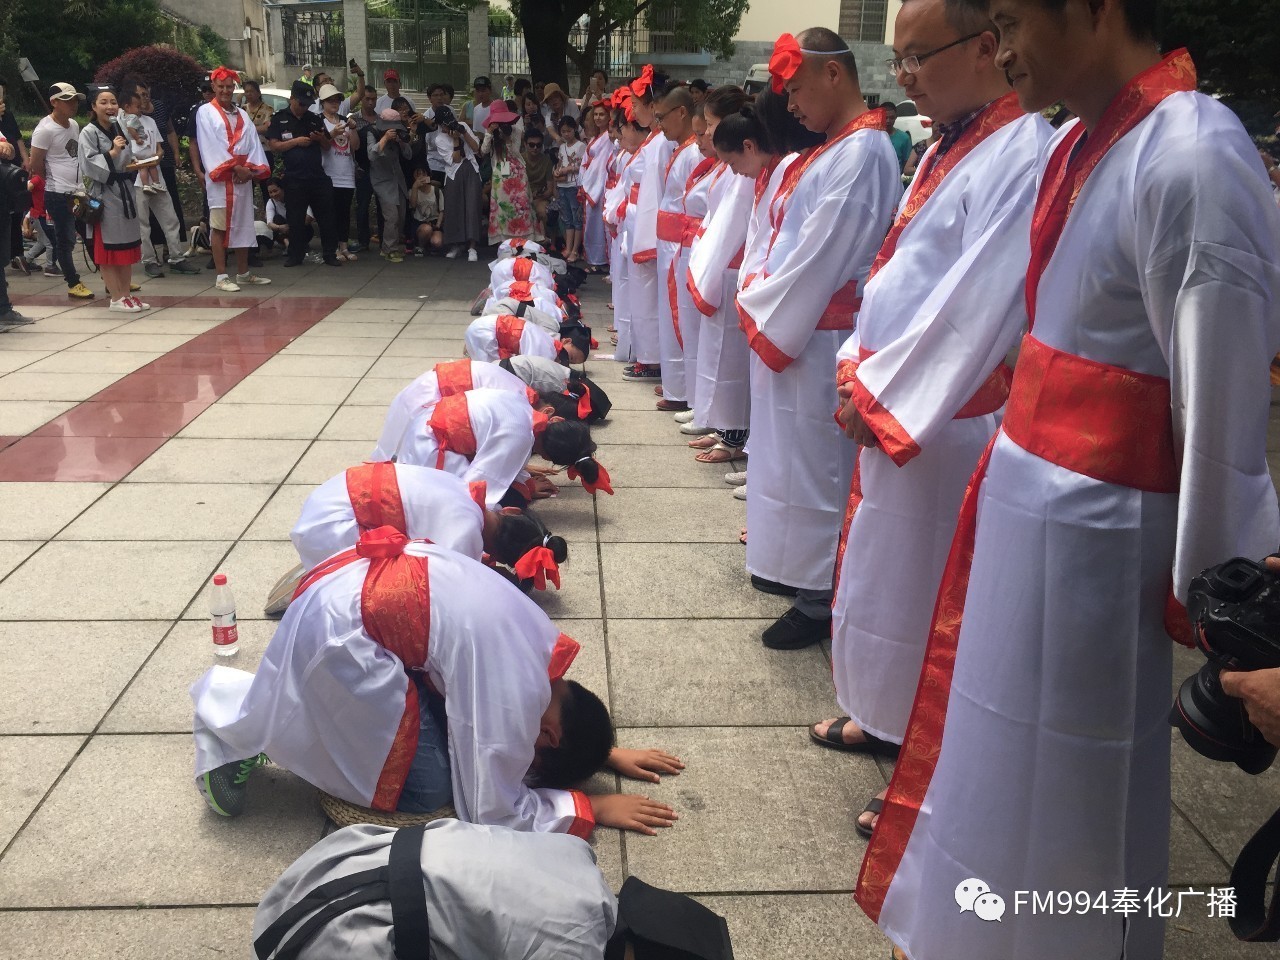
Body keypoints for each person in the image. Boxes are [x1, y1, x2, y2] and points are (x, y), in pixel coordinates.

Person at [856, 5, 1280, 960]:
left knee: (1077, 781)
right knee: (999, 751)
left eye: (1010, 21)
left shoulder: (1194, 157)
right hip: (1024, 504)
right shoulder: (1078, 145)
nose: (999, 47)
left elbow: (1219, 415)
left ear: (1095, 10)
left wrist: (1222, 600)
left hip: (1100, 534)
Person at [809, 0, 1048, 848]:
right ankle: (884, 718)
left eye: (918, 58)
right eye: (898, 61)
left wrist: (881, 397)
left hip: (946, 415)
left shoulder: (1021, 150)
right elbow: (901, 269)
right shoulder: (948, 139)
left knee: (934, 599)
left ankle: (926, 761)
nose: (903, 77)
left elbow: (969, 308)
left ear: (985, 48)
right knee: (887, 576)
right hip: (898, 398)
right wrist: (862, 373)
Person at [193, 526, 679, 836]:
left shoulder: (537, 648)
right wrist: (590, 806)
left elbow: (501, 727)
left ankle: (269, 712)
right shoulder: (513, 695)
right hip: (347, 636)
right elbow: (490, 811)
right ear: (548, 736)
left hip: (352, 595)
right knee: (429, 793)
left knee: (443, 743)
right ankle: (238, 731)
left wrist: (602, 752)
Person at [735, 31, 898, 650]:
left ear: (835, 75)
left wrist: (760, 289)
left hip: (821, 333)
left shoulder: (863, 154)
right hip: (799, 321)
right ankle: (801, 574)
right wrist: (762, 280)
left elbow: (820, 256)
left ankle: (821, 591)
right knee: (794, 461)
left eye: (797, 88)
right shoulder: (836, 150)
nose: (791, 105)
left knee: (819, 470)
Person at [686, 85, 754, 464]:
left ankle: (735, 433)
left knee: (731, 358)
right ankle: (723, 425)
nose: (706, 132)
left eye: (710, 125)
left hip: (732, 264)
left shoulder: (744, 167)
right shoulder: (727, 166)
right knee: (718, 353)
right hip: (720, 261)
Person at [372, 358, 545, 461]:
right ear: (549, 413)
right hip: (431, 397)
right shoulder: (516, 407)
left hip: (434, 393)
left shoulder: (520, 398)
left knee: (401, 447)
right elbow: (491, 457)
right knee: (408, 453)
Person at [195, 67, 273, 292]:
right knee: (219, 226)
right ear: (214, 87)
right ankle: (221, 276)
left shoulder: (241, 114)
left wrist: (250, 169)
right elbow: (209, 145)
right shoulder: (205, 112)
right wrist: (235, 167)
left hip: (242, 177)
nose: (225, 90)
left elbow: (252, 143)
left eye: (229, 86)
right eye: (221, 87)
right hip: (221, 178)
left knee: (243, 224)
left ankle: (243, 272)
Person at [650, 84, 702, 412]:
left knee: (678, 318)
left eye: (662, 117)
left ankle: (682, 390)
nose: (659, 125)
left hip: (679, 245)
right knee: (670, 319)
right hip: (668, 243)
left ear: (681, 112)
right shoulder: (681, 150)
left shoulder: (693, 153)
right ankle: (675, 383)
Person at [118, 81, 200, 280]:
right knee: (142, 222)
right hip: (136, 177)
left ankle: (176, 257)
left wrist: (161, 153)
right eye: (139, 97)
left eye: (145, 95)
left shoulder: (150, 121)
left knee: (170, 217)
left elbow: (159, 145)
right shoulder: (121, 122)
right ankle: (149, 260)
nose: (143, 100)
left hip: (156, 172)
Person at [620, 67, 672, 384]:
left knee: (650, 295)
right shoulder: (653, 140)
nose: (634, 111)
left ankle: (652, 358)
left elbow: (659, 191)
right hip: (638, 220)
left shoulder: (662, 143)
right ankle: (646, 354)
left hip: (649, 223)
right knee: (641, 294)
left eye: (637, 105)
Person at [77, 85, 147, 313]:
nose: (110, 107)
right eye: (104, 102)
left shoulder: (120, 127)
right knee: (107, 248)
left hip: (124, 190)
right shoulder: (88, 132)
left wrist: (137, 163)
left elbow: (128, 156)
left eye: (113, 102)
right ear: (93, 107)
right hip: (105, 194)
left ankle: (126, 294)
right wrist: (112, 153)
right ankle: (115, 297)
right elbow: (89, 165)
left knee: (126, 246)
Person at [29, 82, 94, 300]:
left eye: (75, 100)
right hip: (58, 193)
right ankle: (73, 282)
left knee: (91, 235)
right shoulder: (44, 130)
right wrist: (53, 182)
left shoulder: (74, 125)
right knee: (65, 239)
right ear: (54, 102)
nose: (73, 104)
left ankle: (110, 277)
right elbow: (35, 164)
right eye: (67, 100)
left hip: (79, 191)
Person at [267, 81, 340, 268]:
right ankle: (295, 255)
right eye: (301, 103)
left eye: (307, 104)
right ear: (292, 99)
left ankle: (330, 254)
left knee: (327, 217)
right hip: (295, 177)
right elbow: (273, 146)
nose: (304, 107)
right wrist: (296, 142)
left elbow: (326, 146)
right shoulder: (280, 118)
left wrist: (320, 138)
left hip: (316, 175)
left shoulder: (314, 119)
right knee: (296, 218)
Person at [435, 104, 484, 261]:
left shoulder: (462, 126)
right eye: (445, 123)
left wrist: (463, 133)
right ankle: (456, 244)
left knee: (472, 206)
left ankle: (472, 247)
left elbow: (476, 148)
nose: (448, 125)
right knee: (453, 207)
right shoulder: (439, 139)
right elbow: (454, 159)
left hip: (470, 169)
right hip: (453, 173)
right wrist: (455, 140)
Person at [484, 103, 537, 244]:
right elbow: (484, 151)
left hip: (517, 170)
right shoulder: (490, 132)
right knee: (502, 207)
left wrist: (508, 140)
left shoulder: (517, 130)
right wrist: (490, 133)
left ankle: (524, 238)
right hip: (500, 172)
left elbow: (516, 152)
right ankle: (503, 240)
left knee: (521, 204)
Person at [317, 83, 358, 261]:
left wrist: (353, 130)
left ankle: (344, 246)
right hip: (328, 174)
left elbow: (355, 147)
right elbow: (322, 145)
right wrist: (332, 133)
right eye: (330, 100)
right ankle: (331, 248)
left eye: (337, 100)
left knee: (344, 212)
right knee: (330, 213)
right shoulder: (318, 120)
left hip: (346, 173)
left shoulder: (345, 121)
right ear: (323, 102)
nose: (335, 103)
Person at [366, 108, 411, 263]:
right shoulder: (372, 132)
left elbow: (409, 155)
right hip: (382, 181)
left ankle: (391, 246)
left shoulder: (398, 135)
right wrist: (384, 139)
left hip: (398, 180)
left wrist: (402, 142)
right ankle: (389, 250)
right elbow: (371, 154)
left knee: (401, 216)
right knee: (391, 216)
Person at [579, 100, 614, 274]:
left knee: (601, 225)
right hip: (592, 181)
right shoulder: (595, 138)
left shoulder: (609, 138)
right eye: (596, 114)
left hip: (600, 184)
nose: (599, 118)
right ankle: (595, 258)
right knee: (594, 223)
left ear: (609, 117)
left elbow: (603, 163)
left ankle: (601, 259)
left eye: (602, 114)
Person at [553, 116, 586, 261]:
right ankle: (568, 247)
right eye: (563, 131)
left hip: (574, 185)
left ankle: (575, 249)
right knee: (567, 218)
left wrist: (568, 169)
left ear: (574, 130)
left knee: (576, 217)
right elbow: (560, 163)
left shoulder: (580, 146)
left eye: (569, 131)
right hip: (562, 184)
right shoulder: (562, 147)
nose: (566, 134)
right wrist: (557, 171)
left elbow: (583, 166)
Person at [523, 128, 555, 235]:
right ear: (525, 144)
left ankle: (544, 242)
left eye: (538, 145)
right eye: (531, 145)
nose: (535, 148)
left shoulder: (547, 161)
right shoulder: (520, 160)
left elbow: (550, 190)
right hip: (521, 197)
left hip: (540, 197)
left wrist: (536, 197)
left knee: (542, 212)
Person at [408, 167, 444, 254]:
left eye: (423, 174)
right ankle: (420, 246)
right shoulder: (412, 190)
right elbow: (413, 205)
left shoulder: (436, 190)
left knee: (437, 242)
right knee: (426, 229)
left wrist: (438, 224)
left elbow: (442, 210)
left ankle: (430, 246)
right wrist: (415, 187)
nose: (421, 178)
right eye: (418, 175)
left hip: (434, 222)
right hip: (420, 223)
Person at [882, 101, 913, 170]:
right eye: (885, 117)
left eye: (891, 118)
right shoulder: (873, 137)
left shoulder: (904, 138)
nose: (888, 121)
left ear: (896, 117)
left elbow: (906, 163)